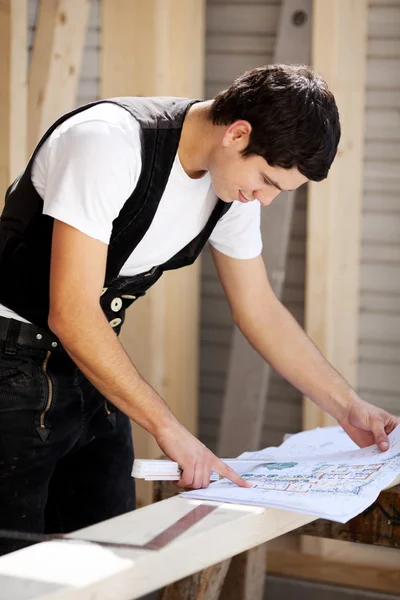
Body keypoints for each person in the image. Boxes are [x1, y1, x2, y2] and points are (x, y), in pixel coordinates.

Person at [0, 64, 398, 552]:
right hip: (11, 370)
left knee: (107, 560)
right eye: (268, 181)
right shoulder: (108, 142)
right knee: (16, 569)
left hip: (91, 369)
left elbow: (259, 309)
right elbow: (71, 310)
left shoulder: (232, 188)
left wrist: (347, 404)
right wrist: (172, 431)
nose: (265, 200)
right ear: (237, 133)